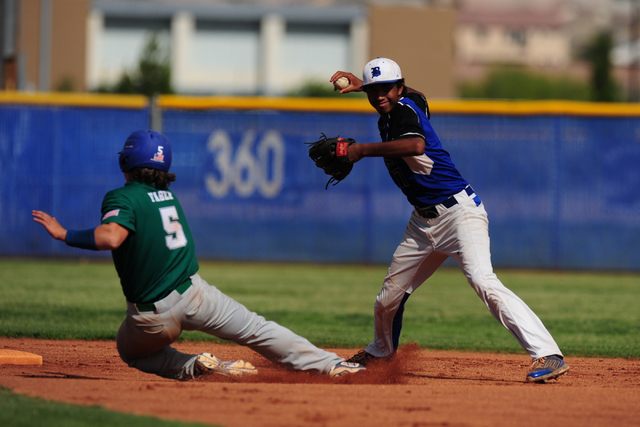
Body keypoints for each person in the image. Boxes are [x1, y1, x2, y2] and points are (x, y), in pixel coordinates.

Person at [32, 129, 365, 381]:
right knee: (257, 329)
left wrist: (64, 234)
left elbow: (110, 236)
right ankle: (332, 364)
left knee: (129, 352)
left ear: (125, 162)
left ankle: (194, 365)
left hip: (152, 318)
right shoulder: (167, 195)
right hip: (195, 295)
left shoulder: (123, 197)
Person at [329, 58, 569, 383]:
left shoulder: (402, 112)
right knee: (389, 297)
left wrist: (360, 150)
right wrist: (363, 85)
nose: (379, 95)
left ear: (398, 88)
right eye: (374, 90)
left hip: (459, 214)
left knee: (484, 281)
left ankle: (548, 354)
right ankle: (380, 353)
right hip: (422, 223)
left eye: (386, 88)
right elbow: (420, 95)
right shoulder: (405, 105)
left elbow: (415, 144)